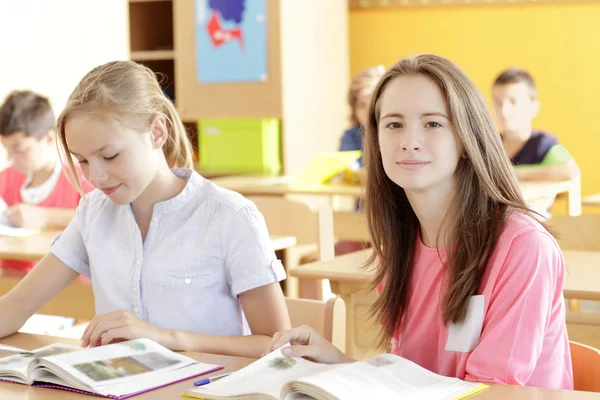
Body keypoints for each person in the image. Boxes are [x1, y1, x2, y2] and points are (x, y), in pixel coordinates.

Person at [268, 54, 573, 389]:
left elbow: (488, 393)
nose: (409, 142)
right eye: (394, 124)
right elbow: (414, 382)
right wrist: (337, 362)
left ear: (466, 141)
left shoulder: (524, 248)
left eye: (433, 124)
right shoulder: (403, 241)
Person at [0, 61, 291, 358]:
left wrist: (163, 338)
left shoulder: (231, 216)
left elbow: (276, 345)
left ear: (156, 132)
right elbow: (16, 306)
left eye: (109, 155)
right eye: (83, 161)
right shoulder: (93, 214)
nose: (95, 177)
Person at [0, 90, 94, 273]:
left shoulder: (81, 178)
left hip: (68, 289)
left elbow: (105, 219)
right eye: (6, 149)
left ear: (49, 138)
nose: (10, 157)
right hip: (9, 283)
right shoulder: (7, 178)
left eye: (19, 149)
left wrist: (44, 216)